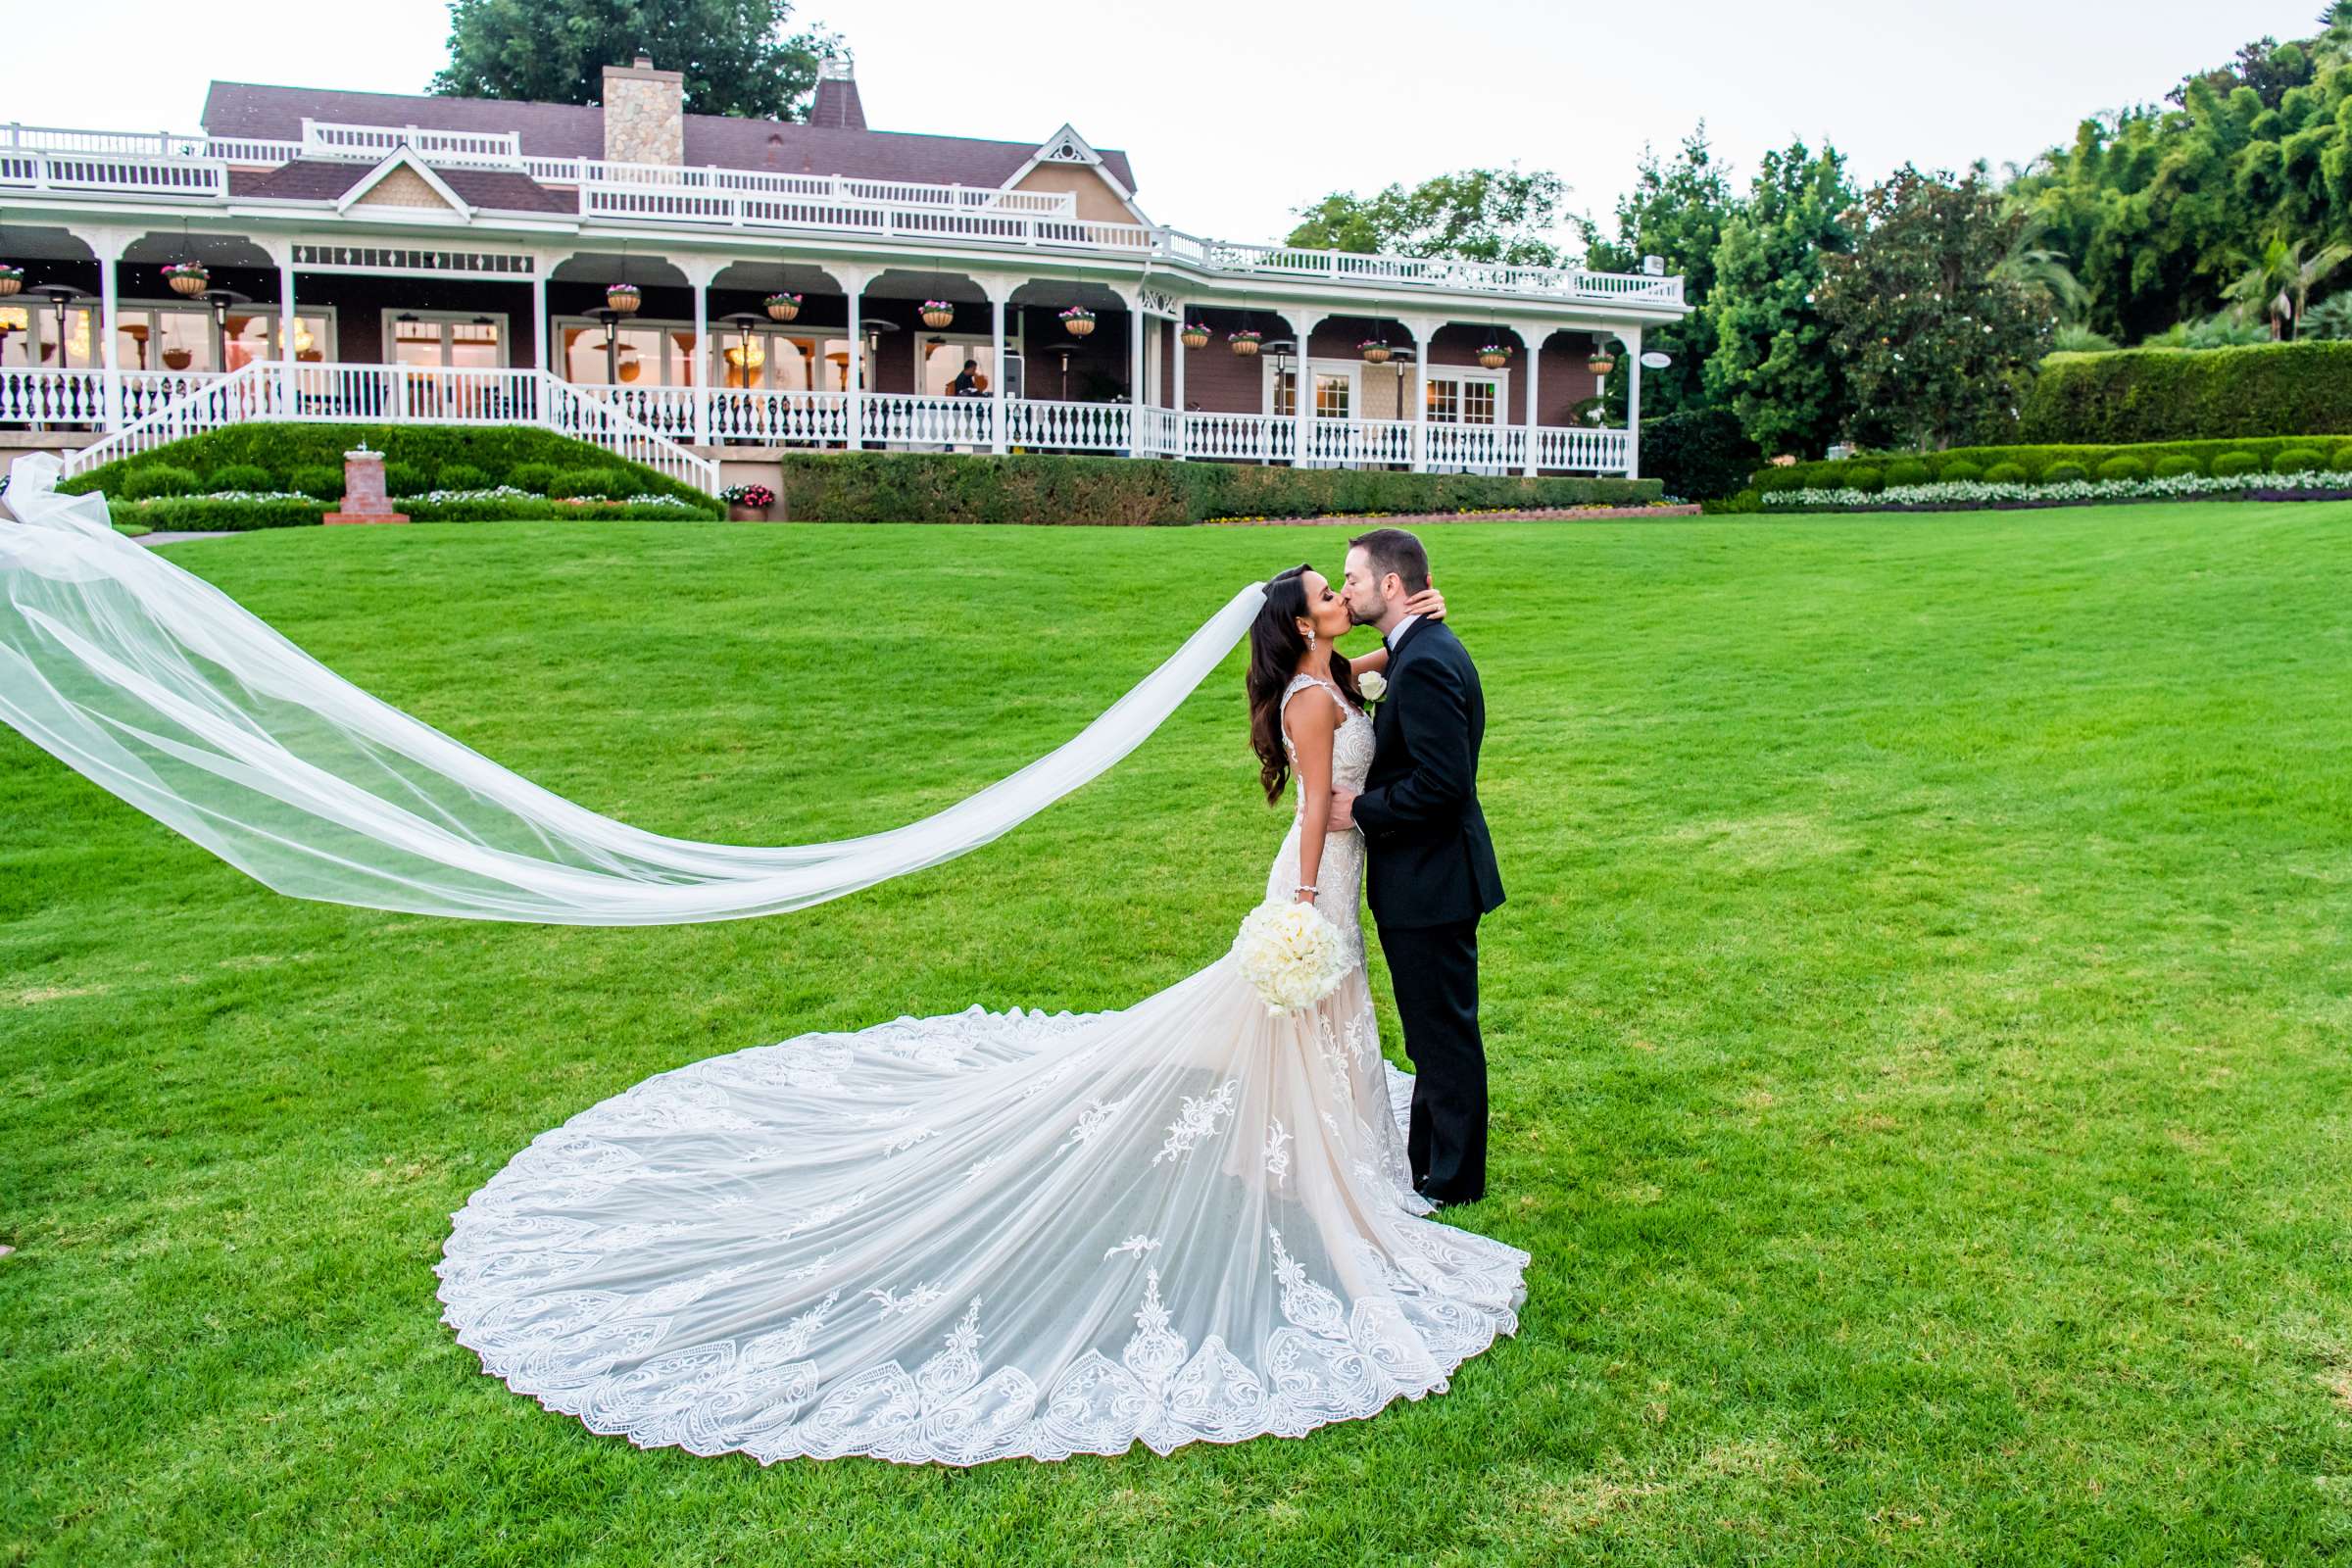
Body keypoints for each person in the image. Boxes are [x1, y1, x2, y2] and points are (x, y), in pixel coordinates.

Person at [433, 566, 1528, 1467]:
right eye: (1326, 595)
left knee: (1324, 1031)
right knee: (1297, 1013)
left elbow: (1363, 680)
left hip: (1346, 868)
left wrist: (1406, 634)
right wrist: (1298, 906)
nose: (1342, 597)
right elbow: (1312, 791)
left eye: (1349, 589)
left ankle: (1328, 1156)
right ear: (1298, 623)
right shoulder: (1305, 697)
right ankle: (1311, 1160)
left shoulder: (1339, 669)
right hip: (1317, 881)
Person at [1329, 528, 1505, 1207]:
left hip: (1432, 880)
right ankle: (1432, 1164)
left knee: (1443, 1032)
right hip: (1429, 877)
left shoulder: (1427, 659)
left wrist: (1362, 810)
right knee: (1434, 1028)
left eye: (1353, 579)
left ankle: (1454, 1183)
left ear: (1391, 585)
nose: (1347, 590)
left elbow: (1444, 784)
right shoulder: (1417, 649)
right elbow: (1346, 676)